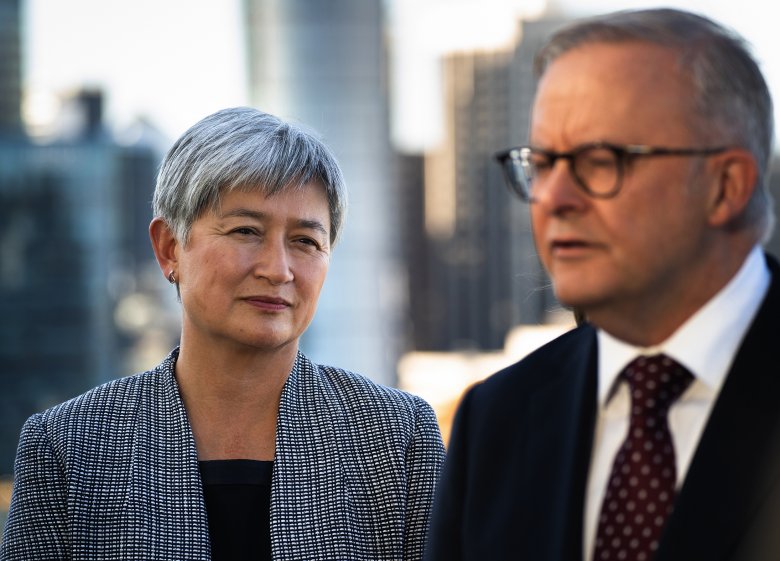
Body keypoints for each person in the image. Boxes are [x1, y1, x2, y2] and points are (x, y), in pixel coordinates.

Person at [1, 107, 445, 560]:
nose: (278, 270)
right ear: (169, 248)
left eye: (305, 241)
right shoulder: (69, 446)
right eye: (246, 231)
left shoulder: (397, 438)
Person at [425, 8, 780, 561]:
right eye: (542, 163)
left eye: (601, 160)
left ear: (725, 185)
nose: (554, 198)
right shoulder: (496, 422)